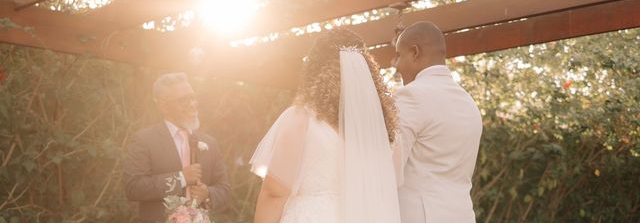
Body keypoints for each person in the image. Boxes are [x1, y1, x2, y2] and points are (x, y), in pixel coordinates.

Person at [250, 28, 403, 223]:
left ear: (316, 69)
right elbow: (392, 185)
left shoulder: (301, 119)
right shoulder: (384, 131)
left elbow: (275, 193)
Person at [394, 21, 483, 223]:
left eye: (399, 55)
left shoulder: (411, 96)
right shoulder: (468, 102)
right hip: (462, 215)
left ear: (415, 52)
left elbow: (389, 168)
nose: (396, 65)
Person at [123, 72, 231, 222]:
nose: (192, 104)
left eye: (192, 97)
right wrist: (180, 178)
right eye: (183, 100)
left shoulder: (210, 143)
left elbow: (224, 190)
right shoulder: (144, 140)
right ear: (164, 106)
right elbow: (133, 188)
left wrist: (207, 194)